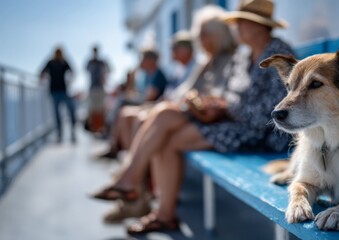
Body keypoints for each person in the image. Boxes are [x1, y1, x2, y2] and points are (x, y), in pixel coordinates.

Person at [92, 0, 293, 234]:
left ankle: (134, 186)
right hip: (234, 123)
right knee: (167, 133)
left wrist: (224, 108)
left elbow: (272, 113)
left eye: (242, 22)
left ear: (259, 26)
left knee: (167, 119)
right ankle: (158, 209)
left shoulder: (279, 55)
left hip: (263, 133)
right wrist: (217, 104)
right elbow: (232, 95)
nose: (236, 27)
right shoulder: (245, 55)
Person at [100, 6, 237, 223]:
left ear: (217, 35)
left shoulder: (231, 60)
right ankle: (139, 192)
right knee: (150, 119)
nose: (198, 40)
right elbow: (186, 92)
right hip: (197, 116)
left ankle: (132, 186)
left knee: (160, 117)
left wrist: (200, 101)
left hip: (213, 120)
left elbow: (226, 99)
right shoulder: (207, 63)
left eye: (203, 34)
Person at [98, 30, 197, 159]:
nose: (172, 52)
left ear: (185, 50)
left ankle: (135, 165)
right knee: (126, 113)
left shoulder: (192, 68)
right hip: (166, 107)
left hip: (175, 110)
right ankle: (131, 161)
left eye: (175, 49)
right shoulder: (177, 70)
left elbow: (151, 97)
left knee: (137, 116)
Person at [104, 48, 168, 135]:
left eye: (142, 59)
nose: (140, 62)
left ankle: (108, 128)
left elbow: (150, 97)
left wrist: (134, 96)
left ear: (151, 60)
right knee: (123, 103)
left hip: (152, 104)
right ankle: (112, 137)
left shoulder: (158, 75)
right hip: (146, 102)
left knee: (123, 100)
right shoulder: (147, 75)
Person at [40, 46, 77, 143]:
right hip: (55, 91)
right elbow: (41, 72)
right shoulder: (51, 62)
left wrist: (70, 81)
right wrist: (42, 79)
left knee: (69, 112)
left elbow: (73, 72)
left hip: (63, 91)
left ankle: (71, 132)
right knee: (58, 115)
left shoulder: (63, 62)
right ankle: (60, 134)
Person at [85, 45, 110, 133]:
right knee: (93, 108)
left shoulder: (102, 62)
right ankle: (94, 128)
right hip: (93, 87)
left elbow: (108, 70)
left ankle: (101, 127)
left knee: (101, 108)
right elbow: (86, 70)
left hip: (100, 87)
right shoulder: (90, 62)